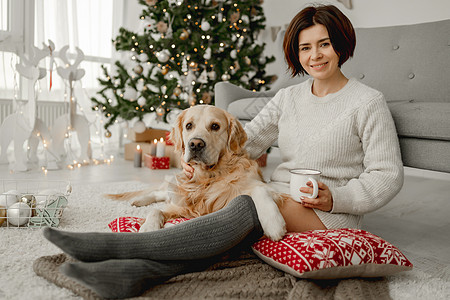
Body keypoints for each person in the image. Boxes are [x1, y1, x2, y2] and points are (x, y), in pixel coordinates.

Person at [43, 4, 403, 299]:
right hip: (279, 195)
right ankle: (134, 274)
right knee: (231, 229)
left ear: (341, 44)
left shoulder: (367, 102)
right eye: (305, 47)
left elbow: (387, 175)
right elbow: (242, 142)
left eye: (323, 44)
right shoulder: (288, 98)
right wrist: (197, 159)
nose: (315, 55)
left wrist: (335, 198)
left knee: (243, 206)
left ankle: (121, 249)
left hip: (326, 212)